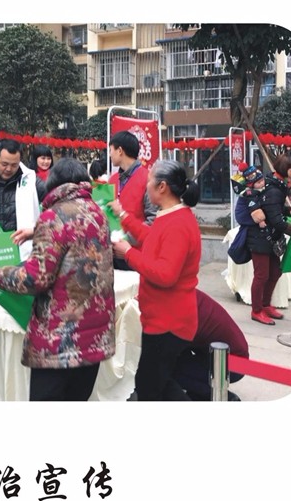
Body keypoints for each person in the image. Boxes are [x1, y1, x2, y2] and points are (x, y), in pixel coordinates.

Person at [0, 158, 115, 401]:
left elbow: (35, 278)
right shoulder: (97, 212)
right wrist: (36, 231)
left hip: (61, 339)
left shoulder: (53, 217)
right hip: (95, 333)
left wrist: (0, 274)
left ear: (54, 184)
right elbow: (75, 234)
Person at [112, 159, 201, 401]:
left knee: (150, 386)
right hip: (162, 317)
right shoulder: (171, 215)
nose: (146, 185)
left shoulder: (178, 223)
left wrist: (128, 253)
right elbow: (151, 238)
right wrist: (123, 216)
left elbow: (165, 274)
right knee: (156, 382)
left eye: (149, 180)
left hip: (169, 321)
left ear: (162, 187)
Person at [246, 154, 291, 325]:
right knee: (261, 276)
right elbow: (276, 221)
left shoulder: (277, 186)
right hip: (261, 238)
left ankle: (265, 305)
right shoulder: (274, 190)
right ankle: (256, 311)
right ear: (285, 170)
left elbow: (273, 209)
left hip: (270, 238)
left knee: (275, 272)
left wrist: (289, 211)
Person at [173, 290, 249, 401]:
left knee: (166, 369)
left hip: (233, 364)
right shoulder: (185, 293)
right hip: (222, 356)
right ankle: (198, 390)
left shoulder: (180, 307)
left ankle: (223, 397)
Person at [107, 131, 156, 245]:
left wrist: (126, 241)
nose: (109, 155)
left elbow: (152, 221)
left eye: (111, 150)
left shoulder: (148, 179)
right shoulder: (113, 179)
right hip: (114, 247)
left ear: (120, 151)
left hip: (138, 249)